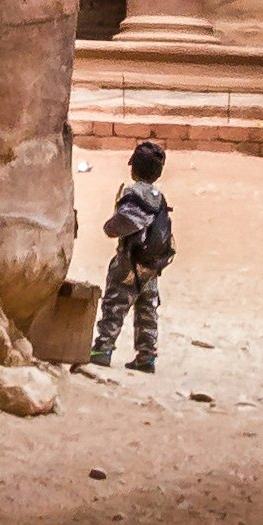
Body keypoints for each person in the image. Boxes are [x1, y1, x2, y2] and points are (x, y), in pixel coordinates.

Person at [96, 140, 173, 372]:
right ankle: (146, 357)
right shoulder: (159, 196)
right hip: (151, 264)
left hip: (130, 260)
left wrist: (109, 228)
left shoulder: (134, 192)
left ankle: (103, 349)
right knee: (147, 308)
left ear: (133, 167)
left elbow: (128, 221)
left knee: (115, 304)